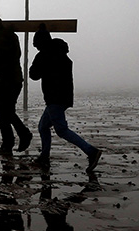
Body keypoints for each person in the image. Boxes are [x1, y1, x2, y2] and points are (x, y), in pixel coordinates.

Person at [28, 23, 101, 173]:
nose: (36, 47)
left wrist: (34, 64)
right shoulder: (61, 53)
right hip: (64, 97)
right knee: (43, 127)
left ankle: (91, 151)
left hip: (54, 98)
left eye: (36, 44)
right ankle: (44, 156)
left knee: (61, 130)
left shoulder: (44, 55)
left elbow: (33, 75)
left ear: (39, 42)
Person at [0, 15, 32, 154]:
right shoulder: (11, 36)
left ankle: (13, 140)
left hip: (4, 80)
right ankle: (13, 140)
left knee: (1, 111)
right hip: (15, 79)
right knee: (7, 111)